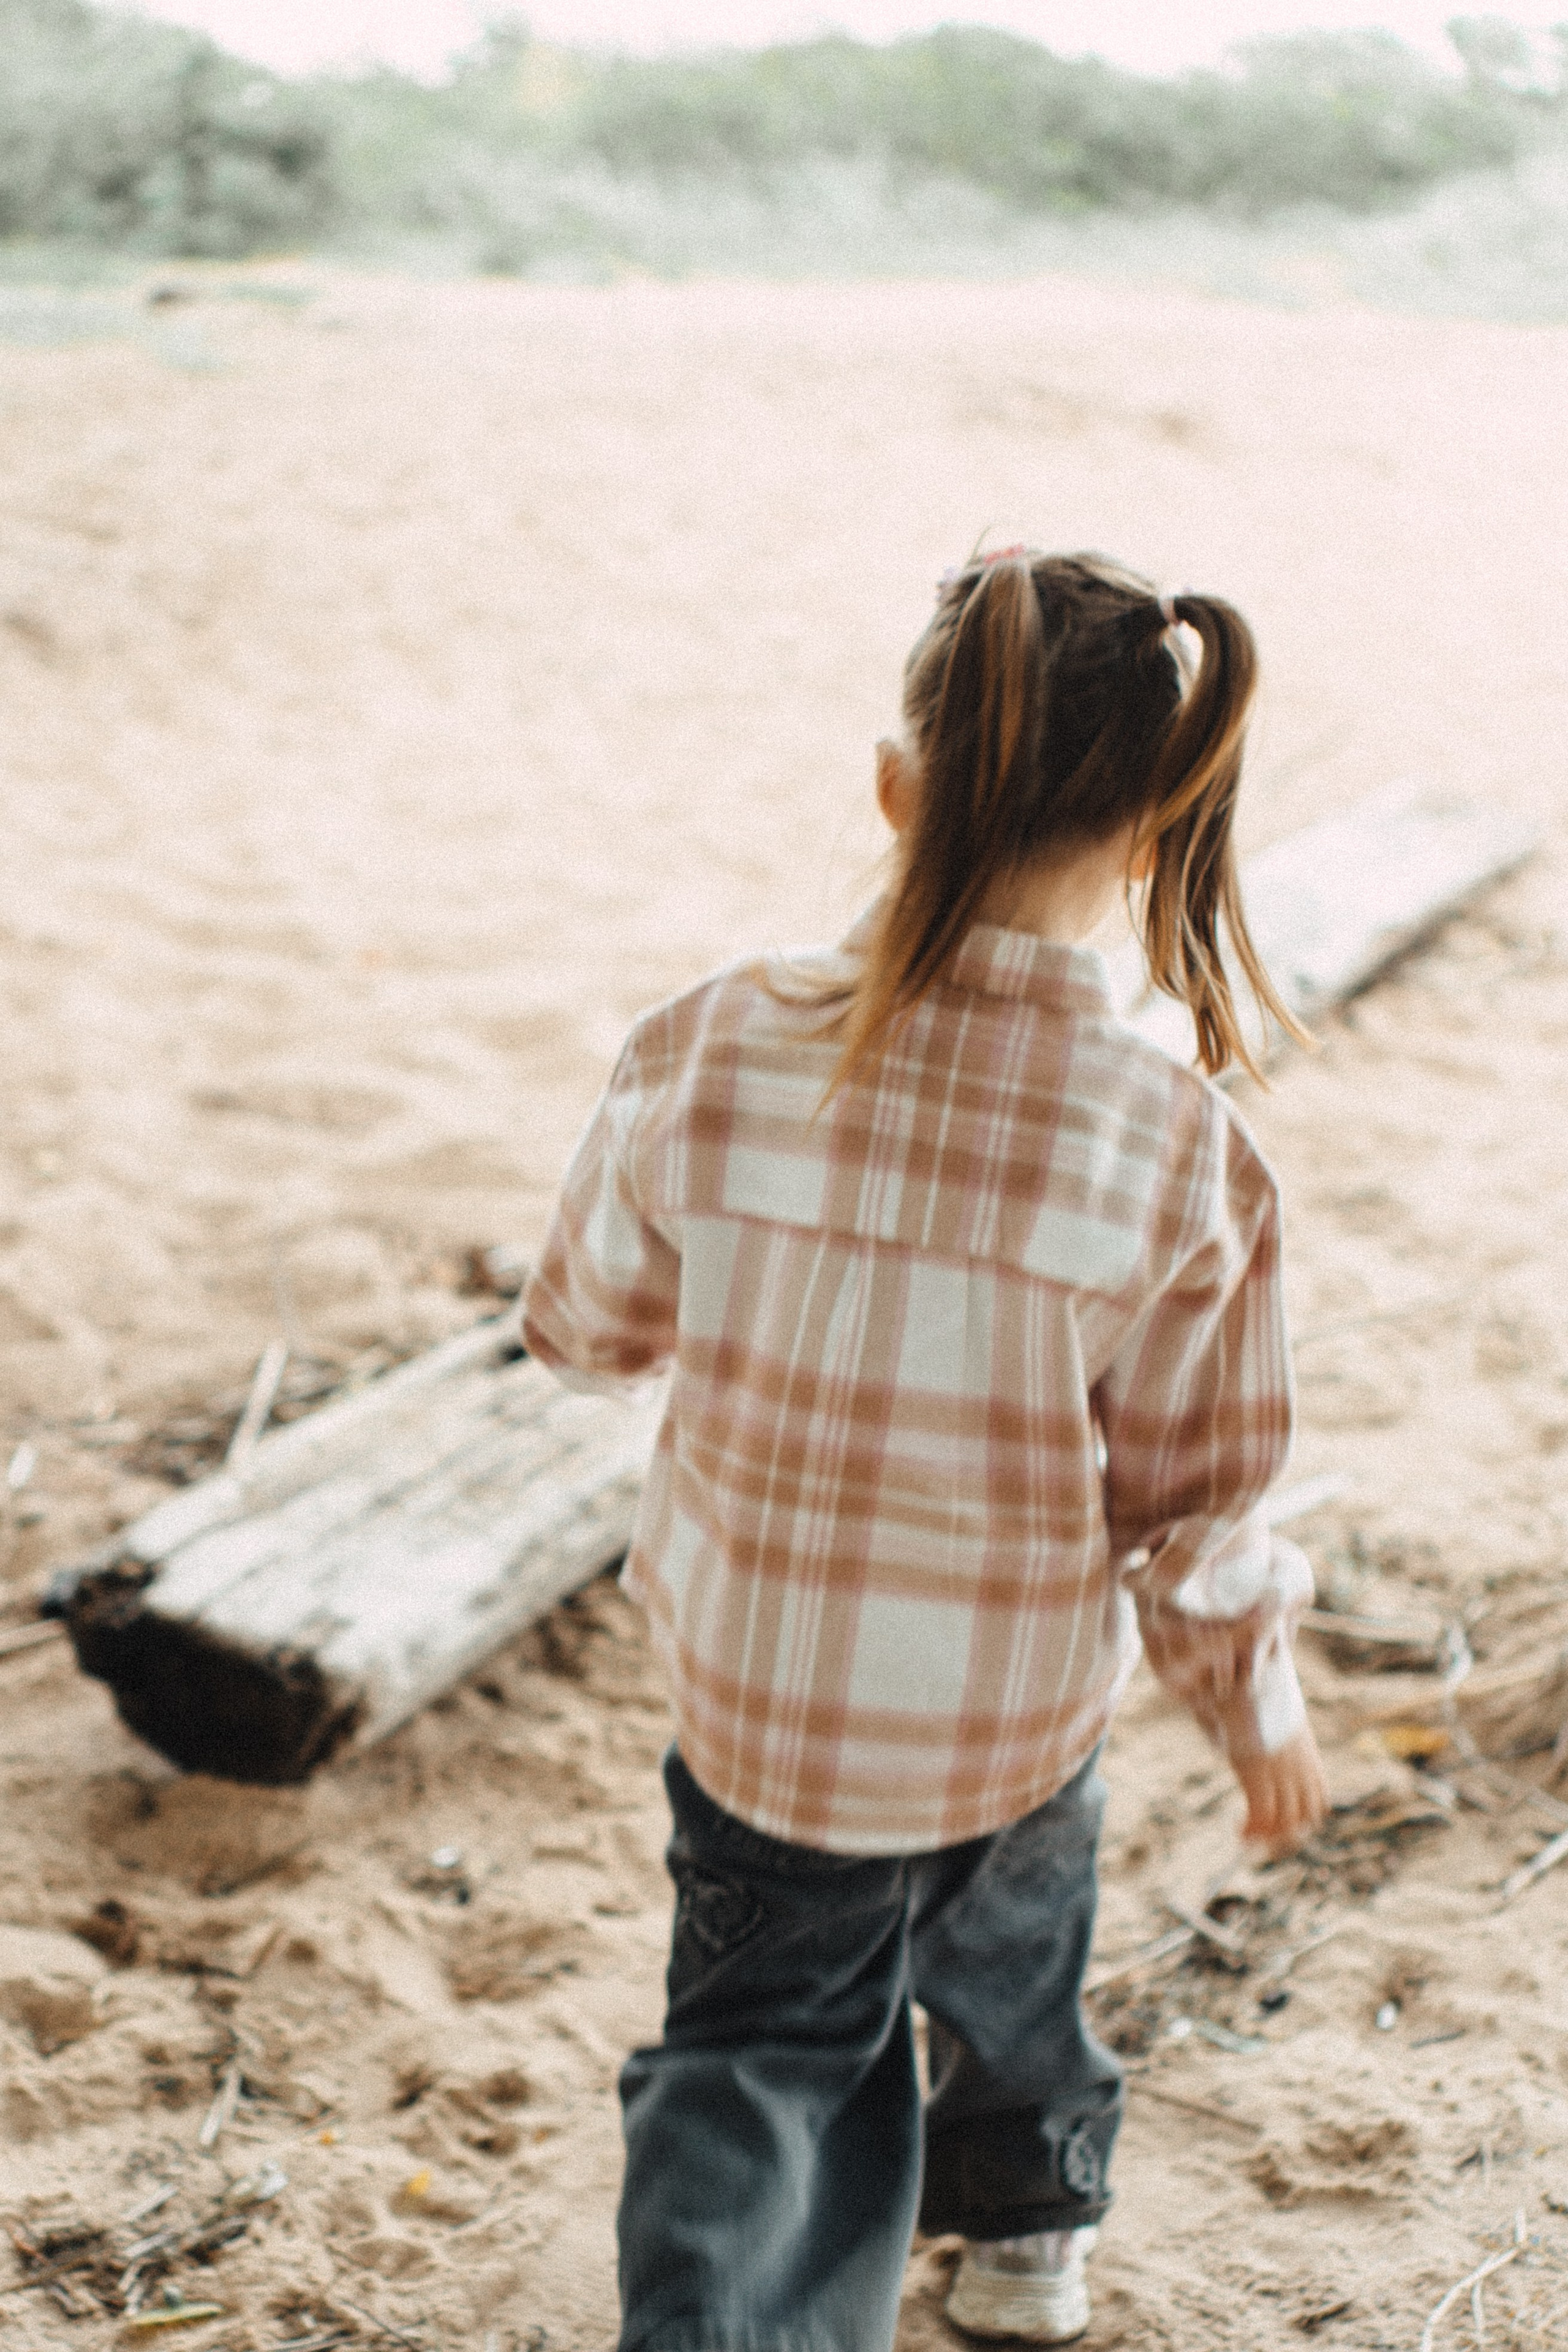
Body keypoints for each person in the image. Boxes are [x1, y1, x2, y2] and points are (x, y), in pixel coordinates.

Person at [521, 548, 1329, 2350]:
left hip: (763, 1723)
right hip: (1016, 1723)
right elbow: (1193, 1506)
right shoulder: (1173, 1145)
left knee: (758, 2052)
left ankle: (727, 2319)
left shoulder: (716, 1042)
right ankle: (1030, 2235)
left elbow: (582, 1327)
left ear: (893, 788)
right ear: (1146, 841)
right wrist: (1254, 1700)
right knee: (1013, 1974)